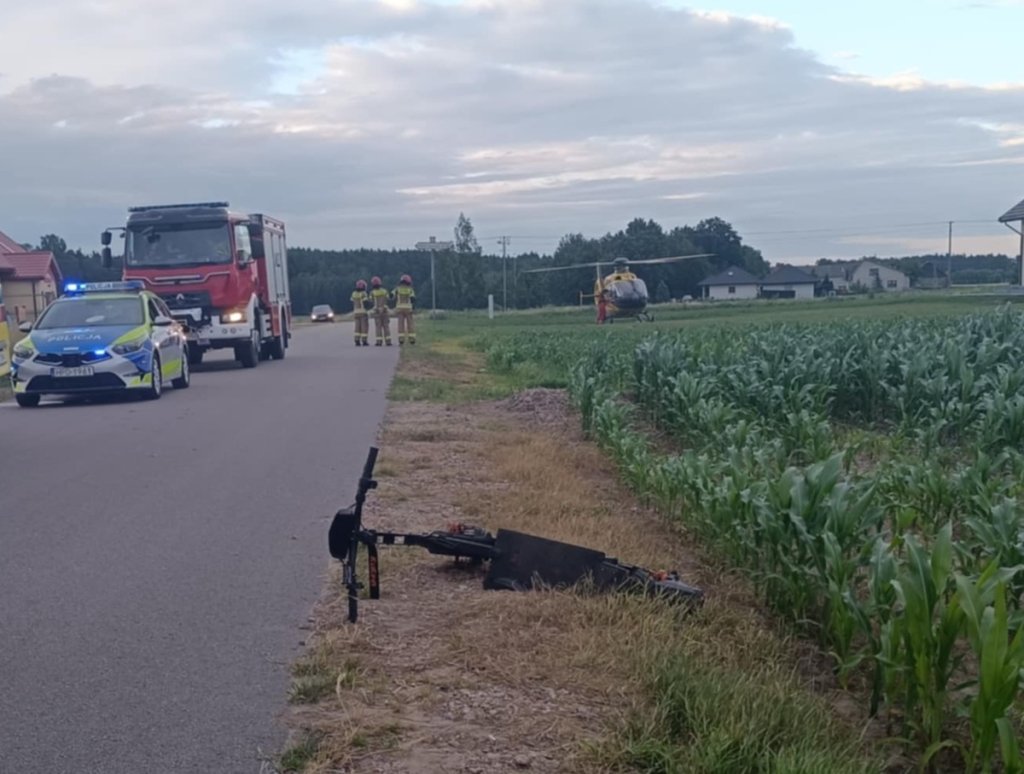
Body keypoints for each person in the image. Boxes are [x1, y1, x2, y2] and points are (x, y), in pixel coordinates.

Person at [392, 274, 416, 345]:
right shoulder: (410, 289)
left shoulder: (397, 289)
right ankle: (412, 339)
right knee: (410, 324)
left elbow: (391, 294)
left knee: (400, 324)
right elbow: (413, 299)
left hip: (399, 309)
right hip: (408, 309)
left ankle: (401, 339)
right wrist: (413, 306)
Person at [369, 276, 392, 346]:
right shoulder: (384, 291)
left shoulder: (372, 292)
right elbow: (388, 298)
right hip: (385, 310)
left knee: (378, 327)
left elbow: (370, 300)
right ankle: (388, 341)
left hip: (377, 311)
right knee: (386, 326)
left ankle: (379, 342)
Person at [350, 279, 369, 346]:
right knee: (364, 327)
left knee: (357, 327)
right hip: (363, 312)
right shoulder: (364, 293)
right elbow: (366, 303)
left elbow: (352, 301)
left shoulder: (353, 293)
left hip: (356, 312)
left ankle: (357, 340)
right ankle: (364, 341)